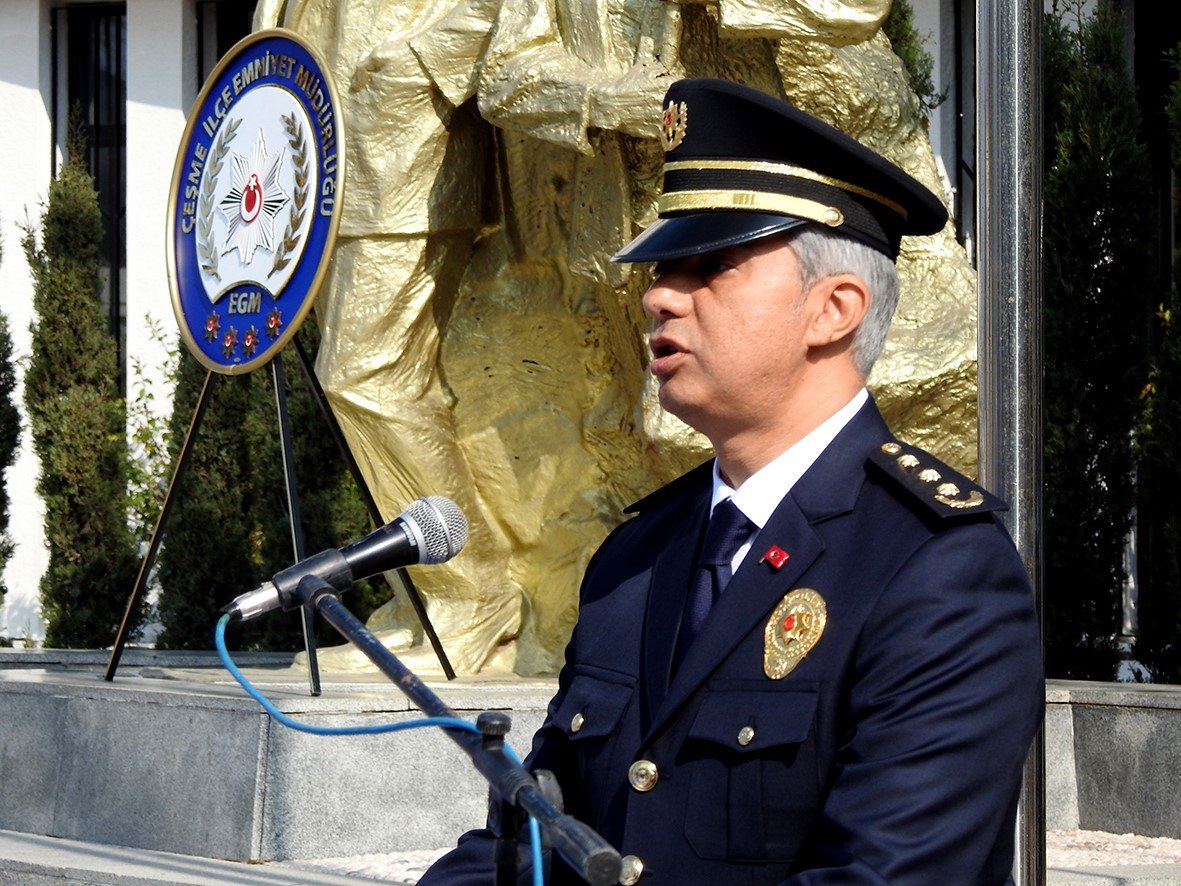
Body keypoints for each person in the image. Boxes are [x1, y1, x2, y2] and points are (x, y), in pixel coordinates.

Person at [418, 77, 1044, 885]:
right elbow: (542, 835)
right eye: (657, 271)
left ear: (834, 310)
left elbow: (887, 874)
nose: (656, 297)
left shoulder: (937, 571)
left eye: (708, 266)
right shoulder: (638, 554)